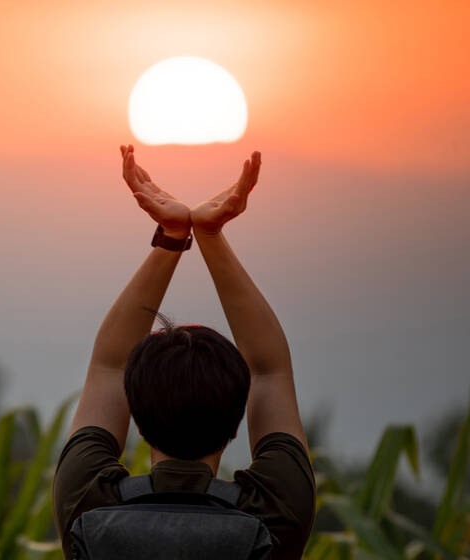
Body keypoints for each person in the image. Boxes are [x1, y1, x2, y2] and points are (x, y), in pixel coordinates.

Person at [52, 146, 315, 559]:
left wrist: (172, 237)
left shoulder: (88, 505)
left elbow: (108, 365)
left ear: (136, 419)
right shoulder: (276, 514)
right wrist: (211, 236)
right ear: (236, 424)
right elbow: (270, 370)